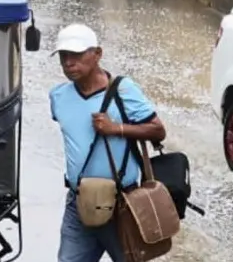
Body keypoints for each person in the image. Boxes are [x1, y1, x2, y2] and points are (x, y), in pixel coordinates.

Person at [49, 24, 166, 262]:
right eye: (64, 56)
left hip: (121, 203)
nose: (69, 62)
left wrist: (116, 129)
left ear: (97, 54)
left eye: (77, 55)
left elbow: (158, 130)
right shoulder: (58, 96)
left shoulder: (123, 90)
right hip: (78, 202)